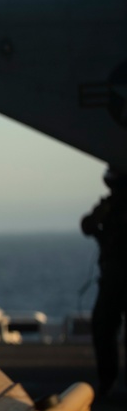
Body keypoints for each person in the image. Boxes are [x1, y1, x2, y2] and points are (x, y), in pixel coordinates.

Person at [81, 167, 127, 396]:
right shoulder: (109, 206)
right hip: (112, 278)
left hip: (115, 278)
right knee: (103, 328)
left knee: (104, 328)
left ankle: (108, 383)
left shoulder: (113, 207)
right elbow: (87, 226)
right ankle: (107, 383)